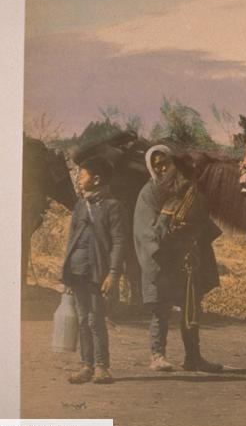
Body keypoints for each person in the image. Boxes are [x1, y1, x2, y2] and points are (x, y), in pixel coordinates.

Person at [133, 145, 223, 372]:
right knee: (161, 310)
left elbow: (200, 219)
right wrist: (169, 234)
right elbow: (147, 231)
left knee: (190, 308)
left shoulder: (186, 188)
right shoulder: (149, 193)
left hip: (188, 259)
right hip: (164, 260)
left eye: (165, 162)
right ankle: (157, 355)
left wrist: (193, 233)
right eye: (157, 166)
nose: (162, 168)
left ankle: (193, 357)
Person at [61, 156, 127, 385]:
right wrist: (67, 273)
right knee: (81, 319)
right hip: (77, 270)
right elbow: (71, 239)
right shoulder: (80, 206)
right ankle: (85, 365)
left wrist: (113, 273)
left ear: (97, 179)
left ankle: (101, 366)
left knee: (95, 319)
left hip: (97, 272)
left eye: (84, 174)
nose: (79, 177)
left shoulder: (112, 207)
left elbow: (119, 241)